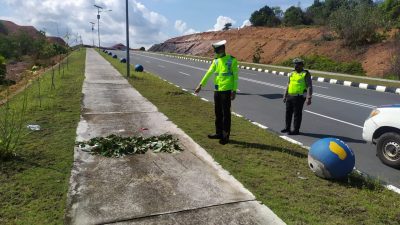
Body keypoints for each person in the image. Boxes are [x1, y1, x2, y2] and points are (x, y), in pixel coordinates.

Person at [194, 40, 238, 145]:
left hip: (226, 90)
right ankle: (218, 133)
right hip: (217, 90)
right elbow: (208, 73)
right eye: (215, 51)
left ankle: (225, 136)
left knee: (226, 114)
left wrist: (234, 90)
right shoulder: (216, 61)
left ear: (222, 49)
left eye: (217, 50)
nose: (216, 52)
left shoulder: (232, 60)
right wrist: (200, 85)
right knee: (218, 113)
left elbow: (235, 77)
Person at [281, 58, 313, 135]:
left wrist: (309, 98)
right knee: (288, 113)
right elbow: (288, 84)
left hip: (299, 97)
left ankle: (296, 130)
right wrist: (285, 95)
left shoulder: (305, 73)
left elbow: (309, 86)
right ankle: (287, 128)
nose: (296, 66)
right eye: (295, 64)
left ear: (302, 65)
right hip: (290, 96)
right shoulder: (292, 73)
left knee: (297, 114)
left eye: (298, 64)